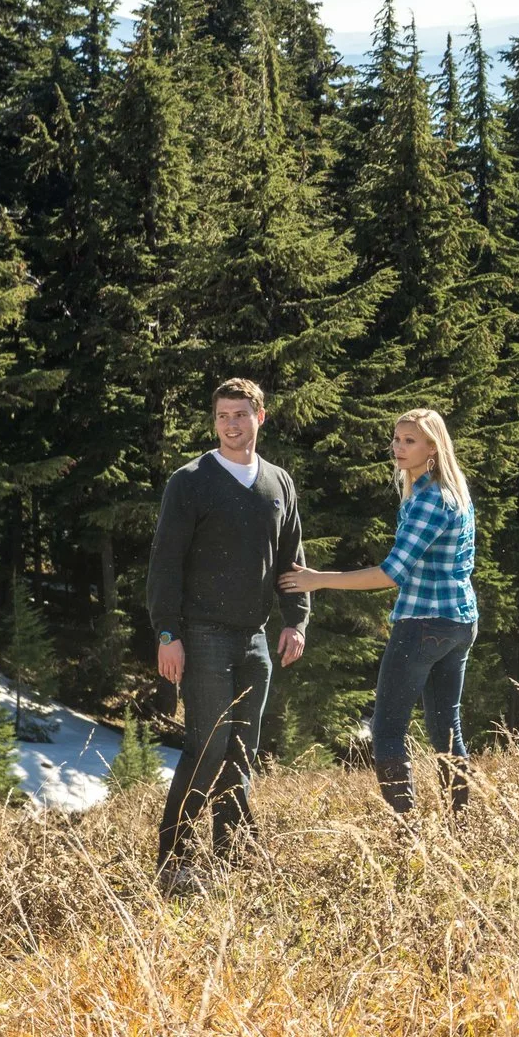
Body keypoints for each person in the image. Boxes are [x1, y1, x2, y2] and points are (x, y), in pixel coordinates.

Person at [145, 378, 308, 884]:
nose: (231, 424)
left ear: (261, 417)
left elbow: (291, 560)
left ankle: (232, 859)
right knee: (207, 747)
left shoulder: (278, 483)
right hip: (202, 634)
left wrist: (296, 620)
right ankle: (174, 862)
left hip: (255, 639)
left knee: (241, 752)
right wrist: (167, 633)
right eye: (222, 415)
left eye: (240, 414)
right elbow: (165, 562)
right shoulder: (190, 481)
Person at [279, 409, 478, 815]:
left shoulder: (428, 500)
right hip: (459, 622)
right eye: (396, 439)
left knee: (387, 729)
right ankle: (462, 826)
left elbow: (390, 574)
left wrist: (318, 579)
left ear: (433, 448)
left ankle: (407, 831)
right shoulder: (453, 493)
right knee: (446, 729)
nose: (398, 448)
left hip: (422, 624)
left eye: (409, 441)